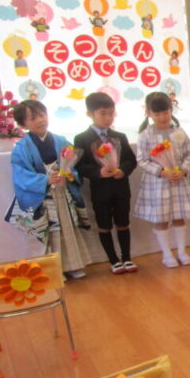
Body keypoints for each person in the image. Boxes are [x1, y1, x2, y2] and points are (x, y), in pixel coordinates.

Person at [7, 99, 91, 278]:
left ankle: (73, 265)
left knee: (68, 227)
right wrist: (45, 179)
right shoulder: (21, 148)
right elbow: (21, 175)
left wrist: (70, 174)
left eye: (42, 115)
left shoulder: (60, 140)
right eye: (33, 118)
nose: (40, 120)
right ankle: (55, 270)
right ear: (23, 124)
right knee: (51, 231)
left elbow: (73, 166)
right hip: (44, 195)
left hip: (62, 191)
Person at [133, 92, 190, 268]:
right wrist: (161, 171)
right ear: (149, 113)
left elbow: (189, 154)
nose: (163, 117)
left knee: (179, 216)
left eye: (166, 112)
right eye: (157, 114)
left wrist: (183, 170)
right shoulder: (145, 135)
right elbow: (142, 160)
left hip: (178, 181)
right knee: (161, 218)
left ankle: (182, 252)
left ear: (171, 110)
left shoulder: (179, 132)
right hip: (158, 184)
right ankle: (167, 254)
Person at [74, 92, 138, 275]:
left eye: (111, 113)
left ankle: (127, 258)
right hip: (100, 190)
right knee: (104, 225)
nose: (108, 117)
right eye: (103, 113)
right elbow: (78, 165)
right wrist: (98, 172)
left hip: (121, 188)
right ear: (90, 114)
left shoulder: (120, 136)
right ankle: (113, 260)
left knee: (123, 223)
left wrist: (122, 171)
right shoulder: (81, 138)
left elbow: (131, 160)